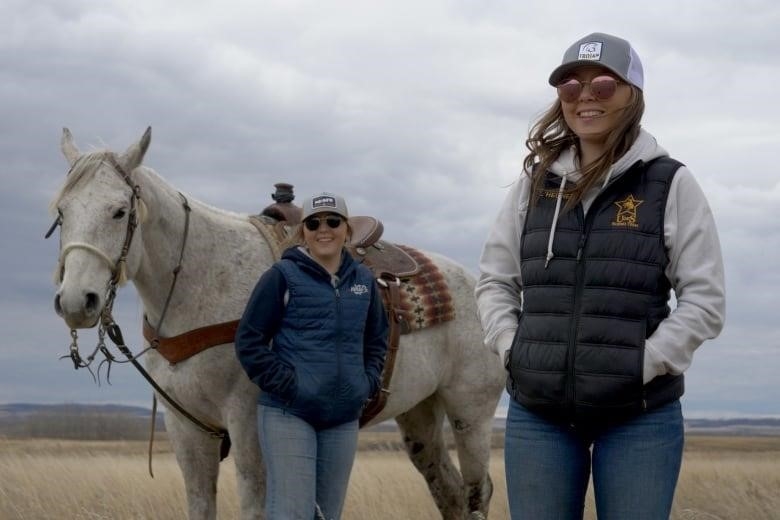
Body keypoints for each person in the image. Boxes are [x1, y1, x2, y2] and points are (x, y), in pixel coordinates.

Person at [475, 32, 726, 519]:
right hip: (538, 410)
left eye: (604, 84)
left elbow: (704, 299)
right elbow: (495, 280)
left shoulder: (670, 182)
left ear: (633, 94)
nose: (585, 96)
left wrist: (644, 363)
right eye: (570, 86)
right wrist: (513, 348)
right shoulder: (535, 183)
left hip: (639, 414)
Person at [236, 191, 388, 520]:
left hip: (343, 416)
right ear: (302, 230)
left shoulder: (363, 281)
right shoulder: (282, 276)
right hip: (289, 413)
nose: (324, 229)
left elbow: (377, 339)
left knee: (327, 516)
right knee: (292, 513)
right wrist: (290, 385)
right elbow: (249, 341)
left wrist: (368, 382)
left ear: (347, 229)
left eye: (333, 221)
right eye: (313, 222)